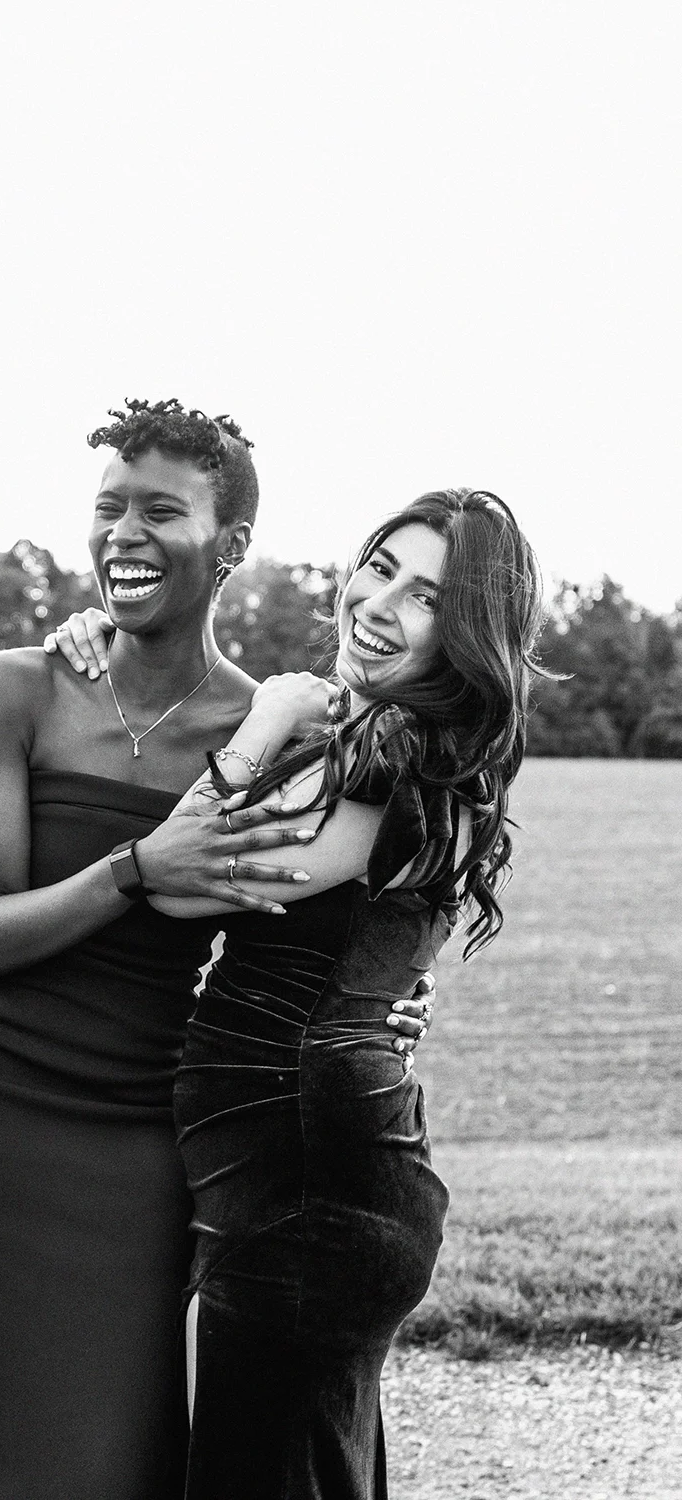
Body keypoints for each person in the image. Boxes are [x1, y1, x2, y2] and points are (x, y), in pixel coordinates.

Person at [0, 399, 432, 1500]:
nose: (123, 534)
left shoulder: (272, 731)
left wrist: (376, 1008)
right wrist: (141, 866)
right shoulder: (18, 687)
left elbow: (318, 918)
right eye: (107, 509)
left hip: (146, 1131)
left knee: (126, 1460)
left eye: (160, 512)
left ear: (229, 544)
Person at [144, 489, 546, 1499]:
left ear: (464, 637)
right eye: (379, 567)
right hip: (313, 1177)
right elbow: (366, 959)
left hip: (310, 1194)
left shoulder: (384, 756)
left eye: (424, 598)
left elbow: (175, 877)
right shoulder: (411, 754)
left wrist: (266, 716)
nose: (376, 602)